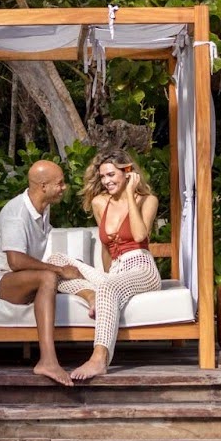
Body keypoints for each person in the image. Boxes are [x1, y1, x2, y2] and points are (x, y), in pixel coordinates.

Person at [56, 151, 162, 381]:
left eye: (111, 174)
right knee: (55, 261)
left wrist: (132, 196)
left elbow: (140, 234)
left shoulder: (147, 199)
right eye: (102, 176)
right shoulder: (99, 202)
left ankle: (99, 359)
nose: (106, 181)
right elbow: (106, 248)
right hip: (116, 271)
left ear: (128, 173)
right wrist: (104, 279)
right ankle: (92, 295)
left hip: (142, 267)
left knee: (109, 288)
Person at [0, 159, 78, 386]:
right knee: (50, 276)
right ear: (43, 187)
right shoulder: (17, 213)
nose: (64, 187)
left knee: (56, 278)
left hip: (17, 278)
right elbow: (16, 261)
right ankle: (48, 361)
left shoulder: (43, 207)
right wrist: (58, 269)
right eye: (60, 183)